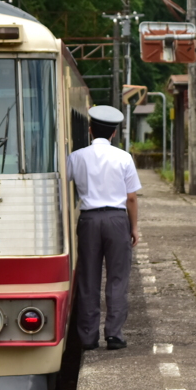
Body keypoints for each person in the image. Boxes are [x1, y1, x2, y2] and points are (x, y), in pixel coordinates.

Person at [66, 105, 141, 351]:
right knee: (117, 278)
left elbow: (61, 184)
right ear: (114, 134)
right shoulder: (124, 157)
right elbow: (131, 198)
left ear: (90, 130)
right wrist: (134, 227)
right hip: (117, 220)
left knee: (88, 278)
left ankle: (88, 337)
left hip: (88, 220)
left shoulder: (76, 157)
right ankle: (114, 335)